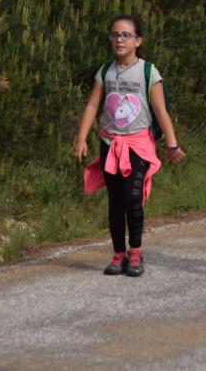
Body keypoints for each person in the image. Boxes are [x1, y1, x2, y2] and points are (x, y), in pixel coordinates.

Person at [74, 15, 186, 277]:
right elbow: (92, 105)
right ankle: (118, 254)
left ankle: (135, 252)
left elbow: (160, 111)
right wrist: (81, 138)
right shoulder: (105, 71)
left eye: (126, 35)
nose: (119, 40)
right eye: (114, 34)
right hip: (109, 143)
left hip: (138, 145)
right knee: (115, 202)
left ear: (138, 41)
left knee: (132, 199)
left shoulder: (148, 71)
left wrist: (172, 145)